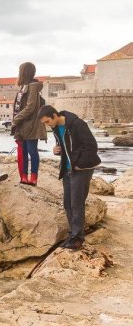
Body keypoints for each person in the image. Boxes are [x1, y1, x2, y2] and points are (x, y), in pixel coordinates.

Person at [38, 105, 101, 251]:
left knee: (77, 204)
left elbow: (92, 146)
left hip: (81, 169)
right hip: (67, 169)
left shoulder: (77, 124)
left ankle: (78, 238)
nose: (47, 125)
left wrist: (80, 164)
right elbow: (67, 148)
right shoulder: (56, 127)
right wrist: (56, 150)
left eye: (47, 121)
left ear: (55, 115)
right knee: (67, 203)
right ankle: (73, 234)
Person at [12, 62, 47, 186]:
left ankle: (33, 177)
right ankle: (24, 176)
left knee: (32, 151)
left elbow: (30, 107)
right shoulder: (24, 87)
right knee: (24, 151)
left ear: (23, 72)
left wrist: (16, 119)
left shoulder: (32, 87)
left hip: (31, 125)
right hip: (23, 125)